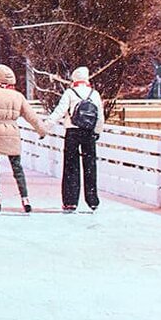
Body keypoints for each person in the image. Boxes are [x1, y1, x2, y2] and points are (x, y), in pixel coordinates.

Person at [0, 65, 47, 214]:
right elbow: (32, 116)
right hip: (13, 132)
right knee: (17, 168)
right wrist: (41, 130)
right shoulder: (18, 96)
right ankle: (25, 200)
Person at [46, 66, 102, 213]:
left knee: (71, 166)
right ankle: (92, 200)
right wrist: (97, 131)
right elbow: (100, 116)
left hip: (72, 132)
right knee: (90, 166)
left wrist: (46, 126)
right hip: (89, 133)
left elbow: (59, 111)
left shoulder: (70, 93)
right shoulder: (94, 94)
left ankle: (70, 201)